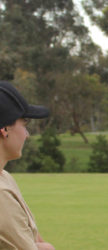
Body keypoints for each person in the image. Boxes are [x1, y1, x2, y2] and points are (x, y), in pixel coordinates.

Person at [0, 80, 55, 250]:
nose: (27, 134)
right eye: (24, 124)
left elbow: (34, 238)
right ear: (4, 130)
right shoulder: (1, 193)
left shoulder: (5, 178)